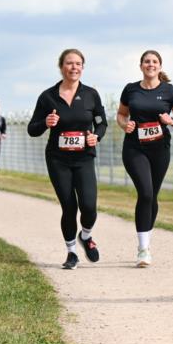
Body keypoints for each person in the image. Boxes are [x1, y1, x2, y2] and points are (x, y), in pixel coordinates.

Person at [27, 48, 107, 270]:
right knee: (69, 207)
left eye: (78, 63)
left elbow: (101, 123)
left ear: (83, 67)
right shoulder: (48, 97)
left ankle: (86, 236)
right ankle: (71, 252)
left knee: (89, 206)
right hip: (58, 159)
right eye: (70, 63)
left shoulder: (91, 94)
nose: (74, 67)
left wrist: (96, 136)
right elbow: (32, 129)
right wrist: (46, 123)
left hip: (84, 158)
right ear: (61, 67)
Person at [116, 50, 173, 267]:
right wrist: (124, 124)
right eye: (147, 61)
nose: (151, 64)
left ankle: (146, 242)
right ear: (141, 66)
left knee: (153, 195)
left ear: (160, 66)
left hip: (160, 149)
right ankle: (142, 249)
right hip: (134, 148)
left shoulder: (168, 90)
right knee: (146, 192)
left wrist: (172, 121)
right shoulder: (130, 89)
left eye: (154, 62)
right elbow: (121, 114)